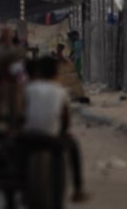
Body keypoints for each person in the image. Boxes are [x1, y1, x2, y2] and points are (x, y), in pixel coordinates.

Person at [24, 57, 88, 203]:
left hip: (30, 136)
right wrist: (61, 131)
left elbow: (23, 111)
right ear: (56, 73)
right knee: (74, 148)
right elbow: (65, 120)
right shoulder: (60, 91)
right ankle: (78, 189)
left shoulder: (30, 88)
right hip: (52, 136)